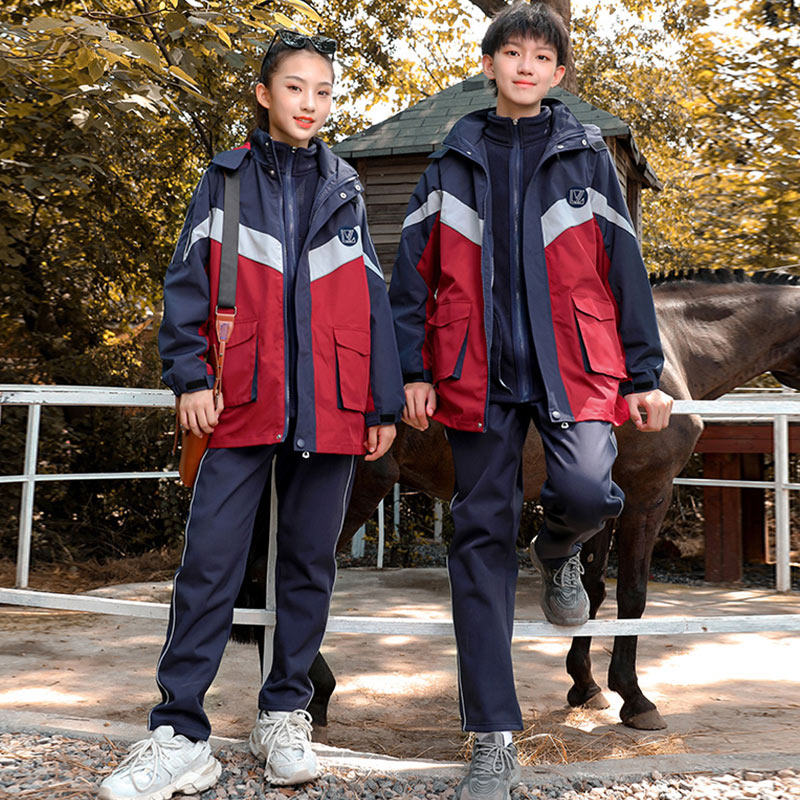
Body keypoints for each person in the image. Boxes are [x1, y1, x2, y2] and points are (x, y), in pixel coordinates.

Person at [99, 28, 404, 800]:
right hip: (236, 403)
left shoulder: (346, 186)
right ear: (265, 94)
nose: (310, 103)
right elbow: (186, 283)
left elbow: (371, 299)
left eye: (323, 91)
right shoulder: (225, 180)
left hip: (333, 407)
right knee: (210, 565)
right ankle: (179, 734)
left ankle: (284, 716)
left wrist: (381, 400)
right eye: (295, 87)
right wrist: (189, 376)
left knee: (309, 566)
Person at [388, 3, 673, 798]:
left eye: (540, 56)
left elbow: (624, 270)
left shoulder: (588, 160)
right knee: (477, 539)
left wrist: (644, 375)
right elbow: (411, 278)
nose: (524, 65)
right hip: (472, 370)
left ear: (557, 73)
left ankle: (556, 551)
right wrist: (411, 370)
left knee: (586, 489)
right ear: (489, 66)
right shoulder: (450, 161)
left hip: (574, 364)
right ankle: (492, 739)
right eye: (510, 52)